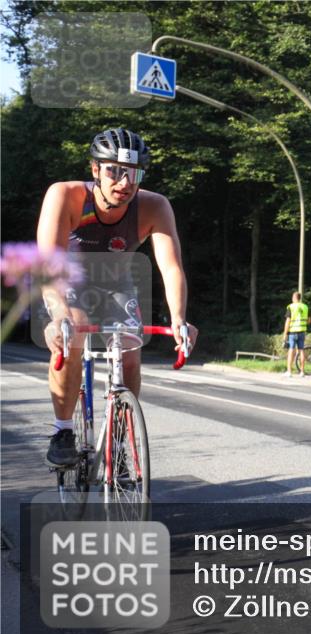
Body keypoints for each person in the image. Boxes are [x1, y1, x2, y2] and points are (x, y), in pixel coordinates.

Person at [37, 128, 199, 466]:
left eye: (134, 173)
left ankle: (120, 441)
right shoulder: (65, 196)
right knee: (73, 331)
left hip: (116, 285)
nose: (124, 182)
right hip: (66, 283)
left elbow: (171, 268)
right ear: (95, 170)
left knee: (130, 354)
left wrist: (180, 319)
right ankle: (63, 430)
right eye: (114, 170)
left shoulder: (154, 206)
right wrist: (58, 316)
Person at [283, 291, 310, 377]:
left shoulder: (291, 307)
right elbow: (309, 320)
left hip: (293, 332)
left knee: (291, 350)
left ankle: (289, 372)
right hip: (302, 331)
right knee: (301, 350)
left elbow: (288, 321)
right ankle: (302, 372)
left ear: (294, 298)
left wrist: (285, 334)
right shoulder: (305, 307)